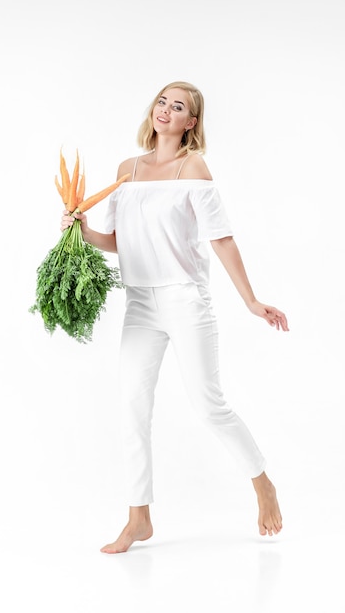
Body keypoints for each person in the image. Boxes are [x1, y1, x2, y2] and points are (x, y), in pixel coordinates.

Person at [61, 81, 289, 554]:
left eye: (178, 106)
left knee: (208, 404)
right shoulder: (127, 170)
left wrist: (250, 300)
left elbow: (221, 239)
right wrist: (82, 233)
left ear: (191, 122)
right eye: (162, 101)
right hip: (140, 302)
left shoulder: (193, 167)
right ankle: (138, 517)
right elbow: (122, 242)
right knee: (131, 406)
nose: (166, 110)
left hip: (186, 299)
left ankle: (262, 481)